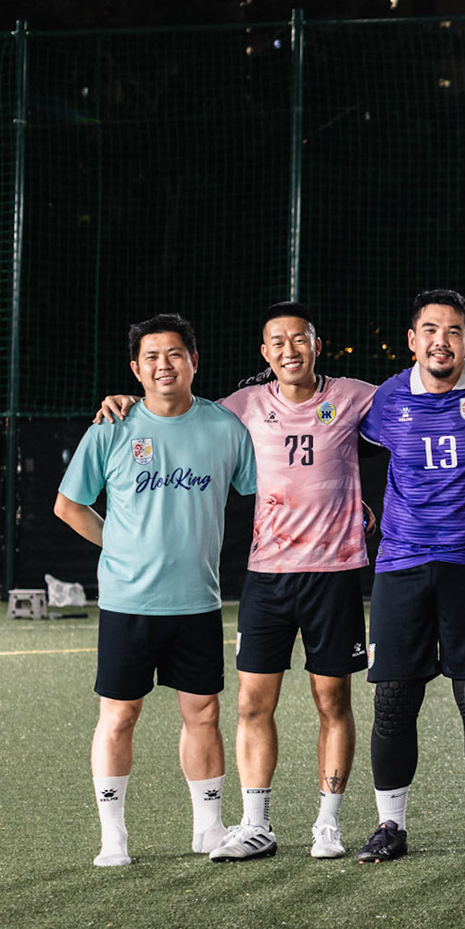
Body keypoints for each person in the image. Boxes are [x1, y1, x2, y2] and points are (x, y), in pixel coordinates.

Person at [98, 301, 378, 862]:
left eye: (299, 340)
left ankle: (328, 823)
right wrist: (128, 403)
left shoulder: (354, 395)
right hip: (267, 576)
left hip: (335, 574)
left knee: (332, 699)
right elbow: (177, 410)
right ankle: (256, 824)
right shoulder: (242, 407)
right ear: (264, 353)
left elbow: (423, 391)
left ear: (316, 345)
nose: (289, 350)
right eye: (277, 342)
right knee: (252, 703)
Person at [54, 314, 257, 867]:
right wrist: (114, 546)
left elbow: (265, 488)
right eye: (151, 357)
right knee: (119, 716)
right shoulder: (112, 428)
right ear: (135, 369)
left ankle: (210, 828)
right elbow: (68, 505)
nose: (163, 365)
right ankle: (113, 837)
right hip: (128, 603)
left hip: (198, 601)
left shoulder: (225, 428)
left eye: (174, 354)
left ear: (195, 361)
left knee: (204, 713)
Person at [354, 290, 465, 864]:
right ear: (412, 340)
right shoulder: (385, 399)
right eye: (430, 330)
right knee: (394, 702)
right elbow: (328, 441)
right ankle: (390, 826)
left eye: (453, 331)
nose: (441, 341)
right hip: (400, 565)